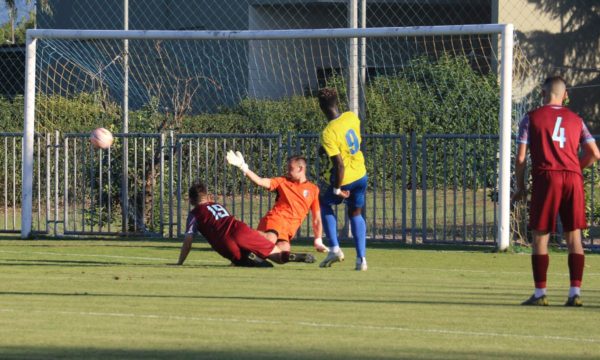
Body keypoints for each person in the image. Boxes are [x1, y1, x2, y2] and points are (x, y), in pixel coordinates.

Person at [513, 75, 600, 306]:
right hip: (572, 178)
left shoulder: (531, 118)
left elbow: (521, 158)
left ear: (542, 94)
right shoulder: (577, 119)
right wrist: (574, 168)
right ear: (566, 95)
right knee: (574, 237)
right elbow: (594, 154)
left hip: (546, 177)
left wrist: (520, 187)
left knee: (541, 235)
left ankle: (541, 294)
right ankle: (575, 294)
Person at [227, 152, 326, 260]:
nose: (287, 171)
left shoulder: (313, 189)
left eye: (290, 168)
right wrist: (243, 167)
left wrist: (318, 240)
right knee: (270, 239)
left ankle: (252, 255)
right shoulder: (282, 181)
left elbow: (317, 219)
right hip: (275, 220)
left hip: (287, 230)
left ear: (300, 168)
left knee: (283, 252)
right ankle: (239, 235)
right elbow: (260, 181)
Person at [176, 182, 292, 267]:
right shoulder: (217, 206)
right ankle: (289, 256)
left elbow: (188, 242)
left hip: (226, 241)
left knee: (247, 262)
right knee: (277, 255)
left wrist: (180, 262)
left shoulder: (194, 214)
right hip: (241, 229)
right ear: (207, 196)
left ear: (191, 200)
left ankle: (253, 260)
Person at [317, 88, 369, 271]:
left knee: (322, 202)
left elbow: (339, 165)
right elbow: (350, 141)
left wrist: (337, 189)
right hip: (361, 174)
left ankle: (334, 248)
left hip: (345, 177)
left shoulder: (328, 132)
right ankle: (361, 259)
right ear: (337, 101)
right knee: (355, 213)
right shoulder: (351, 117)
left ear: (321, 107)